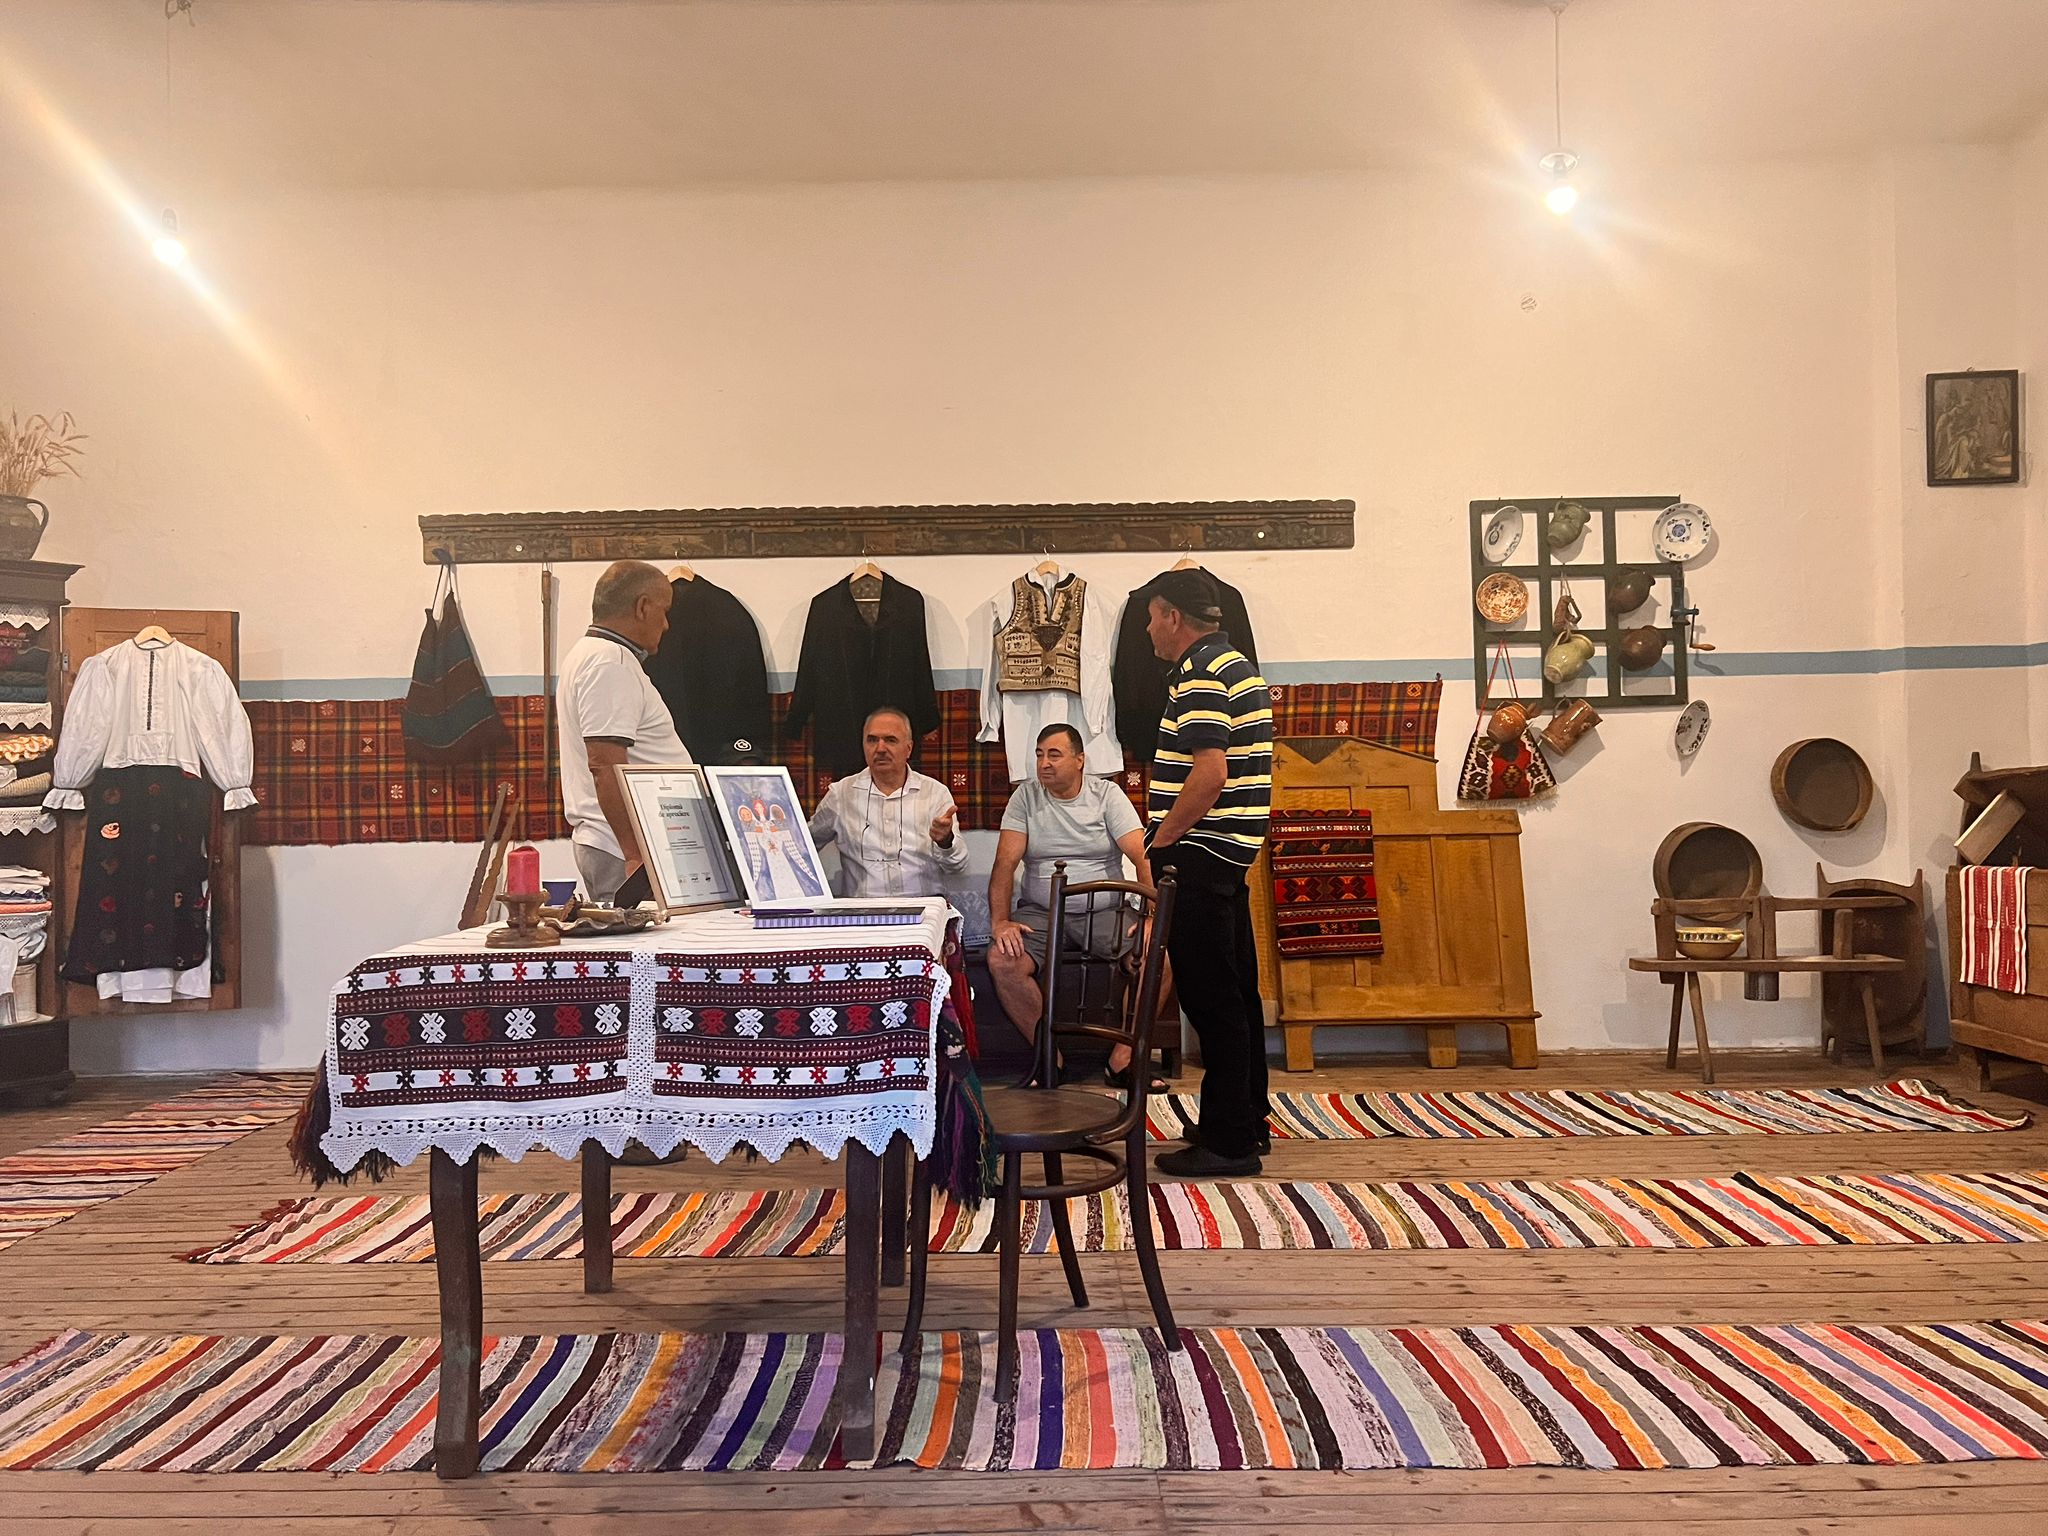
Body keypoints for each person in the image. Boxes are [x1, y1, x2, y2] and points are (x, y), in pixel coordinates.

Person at [1140, 568, 1273, 1177]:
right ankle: (1245, 1118)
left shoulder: (1199, 671)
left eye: (1152, 617)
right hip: (1229, 850)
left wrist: (1163, 838)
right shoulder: (1236, 664)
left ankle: (1228, 1143)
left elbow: (1210, 773)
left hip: (1199, 849)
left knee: (1211, 997)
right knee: (1236, 991)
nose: (1148, 630)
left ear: (1173, 616)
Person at [986, 723, 1157, 1085]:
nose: (1044, 763)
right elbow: (1004, 864)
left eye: (1054, 754)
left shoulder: (1106, 795)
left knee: (1158, 956)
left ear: (1080, 760)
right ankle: (1050, 1059)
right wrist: (1000, 922)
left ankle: (1123, 1060)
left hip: (1103, 911)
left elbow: (1142, 856)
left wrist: (1150, 916)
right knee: (1002, 960)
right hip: (1042, 912)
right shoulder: (1025, 797)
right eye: (1039, 755)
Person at [555, 560, 691, 904]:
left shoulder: (597, 655)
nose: (667, 624)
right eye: (664, 611)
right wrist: (634, 854)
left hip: (626, 844)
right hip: (624, 850)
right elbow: (604, 765)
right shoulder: (608, 662)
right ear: (642, 607)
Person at [809, 705, 967, 898]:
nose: (880, 749)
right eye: (872, 740)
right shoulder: (840, 794)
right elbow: (803, 847)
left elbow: (957, 866)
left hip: (925, 908)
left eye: (890, 740)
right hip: (863, 912)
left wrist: (945, 841)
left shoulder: (935, 793)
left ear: (908, 749)